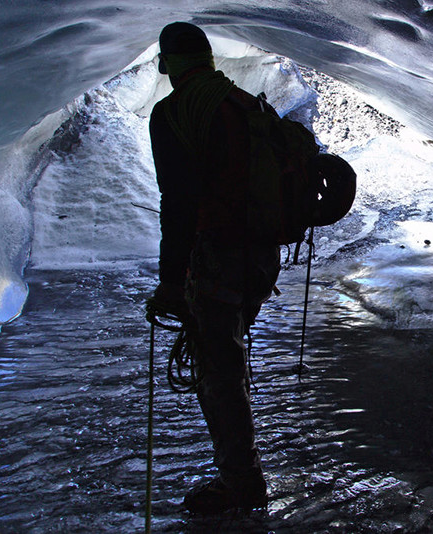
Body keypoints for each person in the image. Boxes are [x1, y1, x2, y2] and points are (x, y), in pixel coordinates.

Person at [148, 22, 280, 514]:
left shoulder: (173, 113)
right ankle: (242, 474)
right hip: (260, 258)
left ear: (170, 64)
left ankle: (242, 485)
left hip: (217, 258)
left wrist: (169, 281)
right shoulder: (246, 104)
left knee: (218, 372)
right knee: (228, 358)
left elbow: (178, 202)